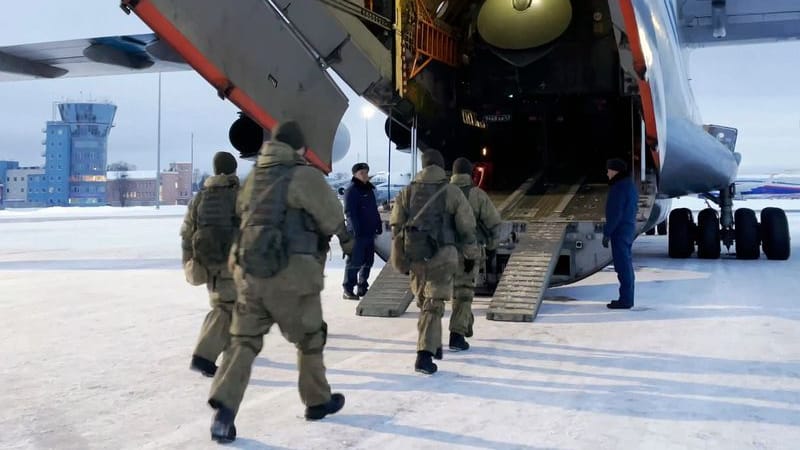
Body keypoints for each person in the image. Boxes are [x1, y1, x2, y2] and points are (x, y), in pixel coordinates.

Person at [207, 121, 354, 443]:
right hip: (293, 278)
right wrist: (348, 241)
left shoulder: (253, 178)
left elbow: (242, 217)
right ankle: (317, 401)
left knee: (243, 342)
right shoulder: (304, 176)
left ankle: (224, 414)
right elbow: (331, 216)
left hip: (250, 274)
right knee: (310, 339)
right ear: (299, 148)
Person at [390, 149, 479, 375]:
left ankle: (431, 345)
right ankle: (425, 355)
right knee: (433, 304)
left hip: (416, 256)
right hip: (442, 255)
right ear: (441, 166)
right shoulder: (451, 192)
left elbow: (396, 226)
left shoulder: (406, 192)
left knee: (426, 303)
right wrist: (469, 254)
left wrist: (401, 255)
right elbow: (467, 227)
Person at [181, 151, 240, 377]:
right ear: (234, 169)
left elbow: (187, 232)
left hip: (208, 262)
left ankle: (227, 355)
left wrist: (189, 262)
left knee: (227, 307)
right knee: (225, 309)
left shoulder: (200, 197)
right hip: (233, 263)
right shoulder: (240, 195)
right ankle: (203, 357)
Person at [449, 157, 502, 351]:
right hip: (468, 252)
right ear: (471, 173)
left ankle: (461, 327)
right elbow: (494, 223)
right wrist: (492, 247)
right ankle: (457, 335)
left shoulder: (441, 193)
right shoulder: (477, 195)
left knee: (446, 294)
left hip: (442, 252)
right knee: (463, 293)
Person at [342, 162, 382, 299]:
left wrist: (378, 223)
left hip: (369, 232)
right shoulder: (352, 190)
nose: (365, 175)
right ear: (355, 175)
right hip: (357, 234)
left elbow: (373, 209)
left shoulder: (369, 190)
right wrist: (355, 229)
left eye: (366, 172)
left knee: (368, 261)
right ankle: (348, 289)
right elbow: (349, 212)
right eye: (362, 173)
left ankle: (362, 287)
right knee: (355, 261)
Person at [602, 158, 639, 309]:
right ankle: (627, 298)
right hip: (627, 228)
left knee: (622, 266)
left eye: (609, 170)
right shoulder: (629, 185)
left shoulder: (619, 187)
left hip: (620, 231)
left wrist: (607, 232)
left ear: (615, 171)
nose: (607, 173)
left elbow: (615, 212)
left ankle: (625, 300)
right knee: (626, 265)